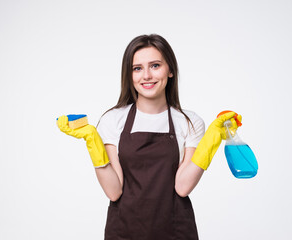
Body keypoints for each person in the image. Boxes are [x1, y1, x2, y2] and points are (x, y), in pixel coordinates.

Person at [57, 34, 241, 240]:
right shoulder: (113, 120)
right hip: (123, 232)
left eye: (155, 66)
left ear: (170, 70)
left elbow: (182, 187)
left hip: (176, 232)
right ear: (129, 75)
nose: (146, 75)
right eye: (137, 68)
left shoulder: (189, 122)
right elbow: (114, 191)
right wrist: (92, 140)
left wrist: (212, 139)